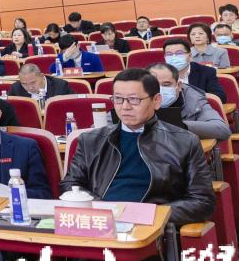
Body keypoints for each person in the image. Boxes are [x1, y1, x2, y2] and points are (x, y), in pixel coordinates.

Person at [62, 68, 214, 227]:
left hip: (152, 227)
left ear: (156, 101)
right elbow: (71, 186)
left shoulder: (184, 141)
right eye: (118, 99)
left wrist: (148, 215)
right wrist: (104, 210)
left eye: (134, 99)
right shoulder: (91, 140)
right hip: (100, 222)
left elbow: (202, 201)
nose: (125, 107)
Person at [147, 63, 229, 140]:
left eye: (166, 85)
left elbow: (222, 129)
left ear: (179, 85)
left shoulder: (194, 99)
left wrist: (180, 125)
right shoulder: (140, 98)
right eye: (154, 84)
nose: (160, 89)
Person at [162, 38, 226, 101]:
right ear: (165, 57)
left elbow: (220, 96)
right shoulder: (159, 74)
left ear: (190, 56)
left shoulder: (207, 72)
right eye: (169, 54)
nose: (174, 57)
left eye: (179, 53)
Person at [8, 63, 72, 106]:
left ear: (41, 76)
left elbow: (73, 105)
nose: (30, 87)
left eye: (33, 82)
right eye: (24, 84)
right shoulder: (15, 88)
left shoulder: (61, 86)